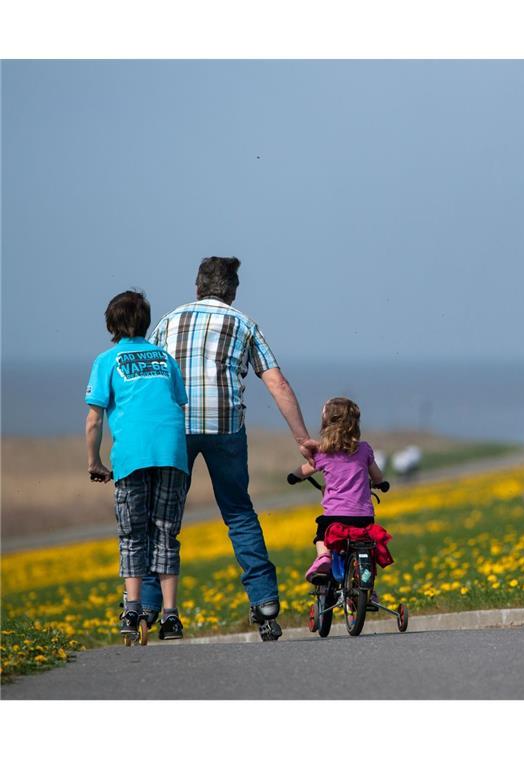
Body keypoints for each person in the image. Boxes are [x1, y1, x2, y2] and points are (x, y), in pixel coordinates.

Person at [142, 256, 317, 641]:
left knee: (164, 518)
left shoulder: (168, 321)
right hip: (225, 427)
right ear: (233, 292)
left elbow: (147, 380)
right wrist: (303, 439)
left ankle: (152, 607)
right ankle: (265, 603)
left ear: (197, 287)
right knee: (238, 513)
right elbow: (278, 384)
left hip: (175, 428)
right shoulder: (244, 324)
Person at [85, 290, 190, 642]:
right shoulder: (164, 358)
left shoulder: (107, 360)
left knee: (133, 534)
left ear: (111, 325)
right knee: (165, 533)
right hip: (172, 454)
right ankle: (171, 617)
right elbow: (178, 403)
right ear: (145, 322)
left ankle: (132, 609)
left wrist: (95, 462)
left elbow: (94, 420)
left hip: (132, 456)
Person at [290, 397, 391, 596]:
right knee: (366, 545)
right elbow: (378, 476)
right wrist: (380, 484)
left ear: (326, 423)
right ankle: (367, 585)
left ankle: (324, 557)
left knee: (321, 534)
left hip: (335, 517)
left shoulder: (323, 452)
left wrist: (294, 477)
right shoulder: (364, 449)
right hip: (364, 517)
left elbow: (304, 470)